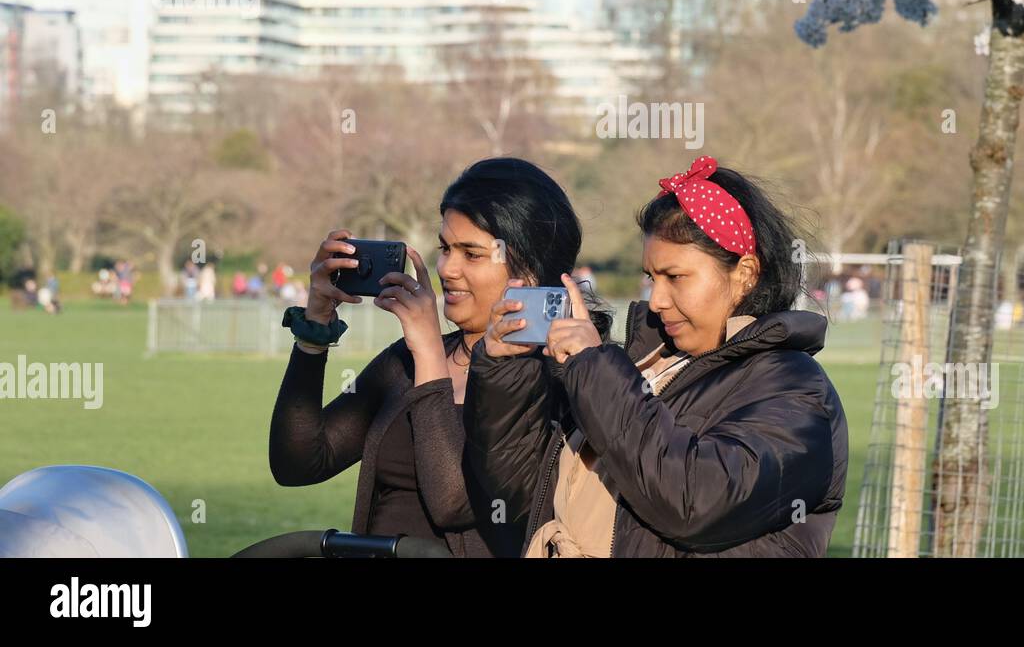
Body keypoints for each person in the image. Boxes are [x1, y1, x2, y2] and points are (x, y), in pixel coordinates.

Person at [465, 155, 849, 557]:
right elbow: (516, 494)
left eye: (675, 277)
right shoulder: (641, 365)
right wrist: (504, 369)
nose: (657, 300)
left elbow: (693, 503)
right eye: (651, 278)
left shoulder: (794, 389)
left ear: (746, 274)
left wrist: (594, 369)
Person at [269, 158, 596, 558]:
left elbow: (452, 502)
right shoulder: (405, 362)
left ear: (528, 266)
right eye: (445, 248)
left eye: (471, 254)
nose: (446, 268)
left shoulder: (561, 375)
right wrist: (314, 330)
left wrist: (427, 353)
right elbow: (298, 463)